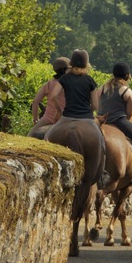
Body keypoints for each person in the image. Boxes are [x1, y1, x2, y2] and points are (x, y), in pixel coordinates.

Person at [46, 48, 111, 189]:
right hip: (86, 118)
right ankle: (101, 175)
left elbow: (53, 96)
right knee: (101, 142)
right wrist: (88, 110)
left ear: (71, 63)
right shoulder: (89, 80)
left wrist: (59, 110)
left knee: (47, 137)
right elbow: (95, 105)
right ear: (87, 65)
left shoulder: (64, 78)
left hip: (66, 117)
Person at [96, 62, 132, 182]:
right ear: (127, 76)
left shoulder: (102, 88)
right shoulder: (126, 91)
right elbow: (129, 114)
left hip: (100, 122)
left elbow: (96, 104)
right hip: (118, 121)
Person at [27, 56, 70, 139]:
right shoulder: (72, 84)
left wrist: (35, 120)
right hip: (65, 120)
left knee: (29, 137)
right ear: (66, 70)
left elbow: (35, 102)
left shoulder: (49, 84)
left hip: (47, 120)